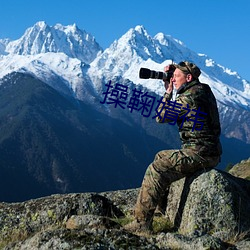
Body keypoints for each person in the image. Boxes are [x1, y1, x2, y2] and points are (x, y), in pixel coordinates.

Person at [124, 61, 222, 233]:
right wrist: (175, 73)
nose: (173, 79)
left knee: (157, 168)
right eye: (173, 76)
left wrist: (168, 92)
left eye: (177, 77)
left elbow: (161, 117)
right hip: (208, 151)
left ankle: (141, 224)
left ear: (189, 78)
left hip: (200, 153)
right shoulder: (202, 89)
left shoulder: (189, 97)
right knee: (161, 156)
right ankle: (162, 210)